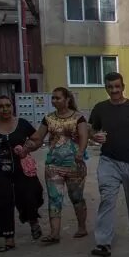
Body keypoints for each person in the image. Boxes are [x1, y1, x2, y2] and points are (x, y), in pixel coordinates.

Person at [88, 72, 129, 257]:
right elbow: (91, 129)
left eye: (117, 86)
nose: (114, 90)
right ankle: (103, 243)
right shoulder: (100, 108)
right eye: (110, 87)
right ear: (106, 88)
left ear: (123, 87)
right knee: (107, 198)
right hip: (109, 160)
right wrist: (94, 136)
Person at [22, 88, 90, 242]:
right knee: (54, 198)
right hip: (53, 165)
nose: (54, 101)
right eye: (53, 98)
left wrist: (81, 151)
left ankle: (82, 227)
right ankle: (54, 233)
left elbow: (84, 136)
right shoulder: (48, 118)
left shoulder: (79, 118)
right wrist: (29, 146)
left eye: (57, 98)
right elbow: (38, 137)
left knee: (76, 197)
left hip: (75, 165)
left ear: (67, 100)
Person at [0, 95, 44, 252]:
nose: (5, 109)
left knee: (29, 195)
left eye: (8, 105)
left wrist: (28, 148)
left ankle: (33, 221)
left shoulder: (22, 124)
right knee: (2, 202)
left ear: (12, 107)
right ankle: (8, 238)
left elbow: (37, 140)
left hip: (23, 167)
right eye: (1, 106)